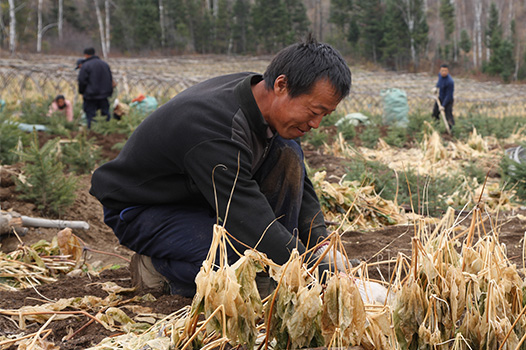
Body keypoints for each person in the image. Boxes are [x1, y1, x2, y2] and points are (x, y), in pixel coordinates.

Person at [89, 36, 352, 297]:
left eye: (324, 116)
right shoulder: (214, 128)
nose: (316, 124)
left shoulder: (264, 97)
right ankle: (157, 268)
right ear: (282, 85)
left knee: (288, 149)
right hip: (144, 209)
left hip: (202, 197)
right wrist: (314, 274)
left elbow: (299, 183)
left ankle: (282, 260)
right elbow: (247, 217)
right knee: (248, 275)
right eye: (314, 111)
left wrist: (321, 246)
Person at [78, 47, 114, 129]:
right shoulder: (104, 65)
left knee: (91, 115)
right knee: (105, 114)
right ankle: (107, 130)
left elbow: (82, 81)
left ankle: (92, 132)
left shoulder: (86, 66)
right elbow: (110, 79)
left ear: (86, 55)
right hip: (104, 95)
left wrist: (82, 92)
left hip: (91, 95)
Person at [432, 64, 455, 128]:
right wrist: (436, 87)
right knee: (435, 114)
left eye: (445, 71)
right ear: (440, 71)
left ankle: (452, 130)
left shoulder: (450, 82)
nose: (443, 72)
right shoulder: (440, 75)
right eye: (442, 71)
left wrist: (443, 105)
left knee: (448, 116)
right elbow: (439, 82)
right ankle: (436, 127)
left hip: (448, 100)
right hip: (440, 98)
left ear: (448, 71)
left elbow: (449, 95)